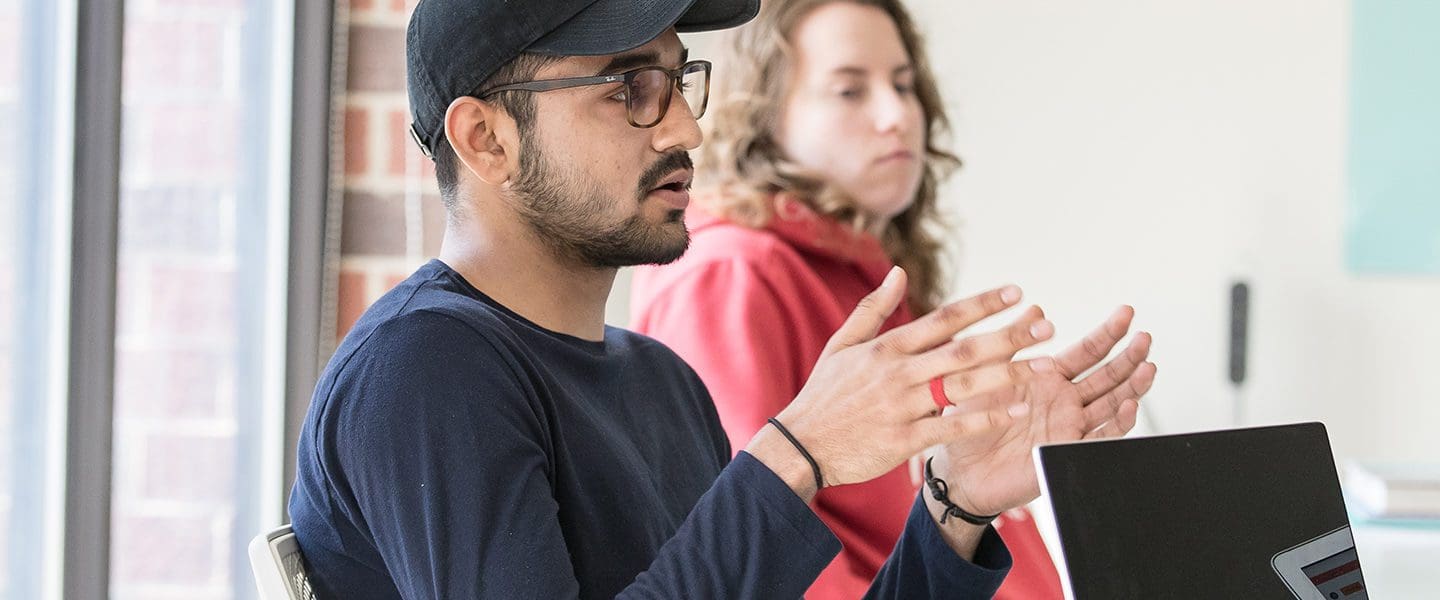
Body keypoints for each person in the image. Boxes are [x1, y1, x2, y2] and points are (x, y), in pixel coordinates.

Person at [288, 0, 1155, 598]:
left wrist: (955, 508)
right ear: (486, 139)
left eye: (677, 79)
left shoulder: (658, 380)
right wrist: (797, 452)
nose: (686, 128)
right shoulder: (427, 371)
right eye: (631, 89)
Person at [630, 1, 1157, 598]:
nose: (896, 115)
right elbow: (750, 555)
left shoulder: (875, 273)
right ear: (766, 114)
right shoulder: (730, 274)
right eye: (850, 91)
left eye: (904, 86)